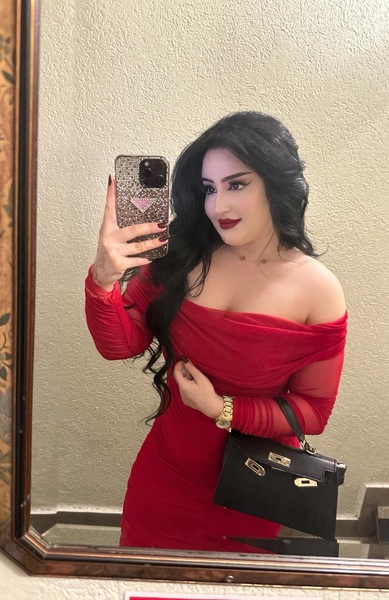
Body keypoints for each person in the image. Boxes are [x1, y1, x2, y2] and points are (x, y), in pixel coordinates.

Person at [85, 111, 347, 552]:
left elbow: (313, 411)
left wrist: (220, 408)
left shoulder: (318, 290)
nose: (217, 207)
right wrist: (103, 279)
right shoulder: (182, 255)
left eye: (236, 185)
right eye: (209, 189)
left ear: (275, 184)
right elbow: (120, 345)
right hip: (164, 477)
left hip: (252, 486)